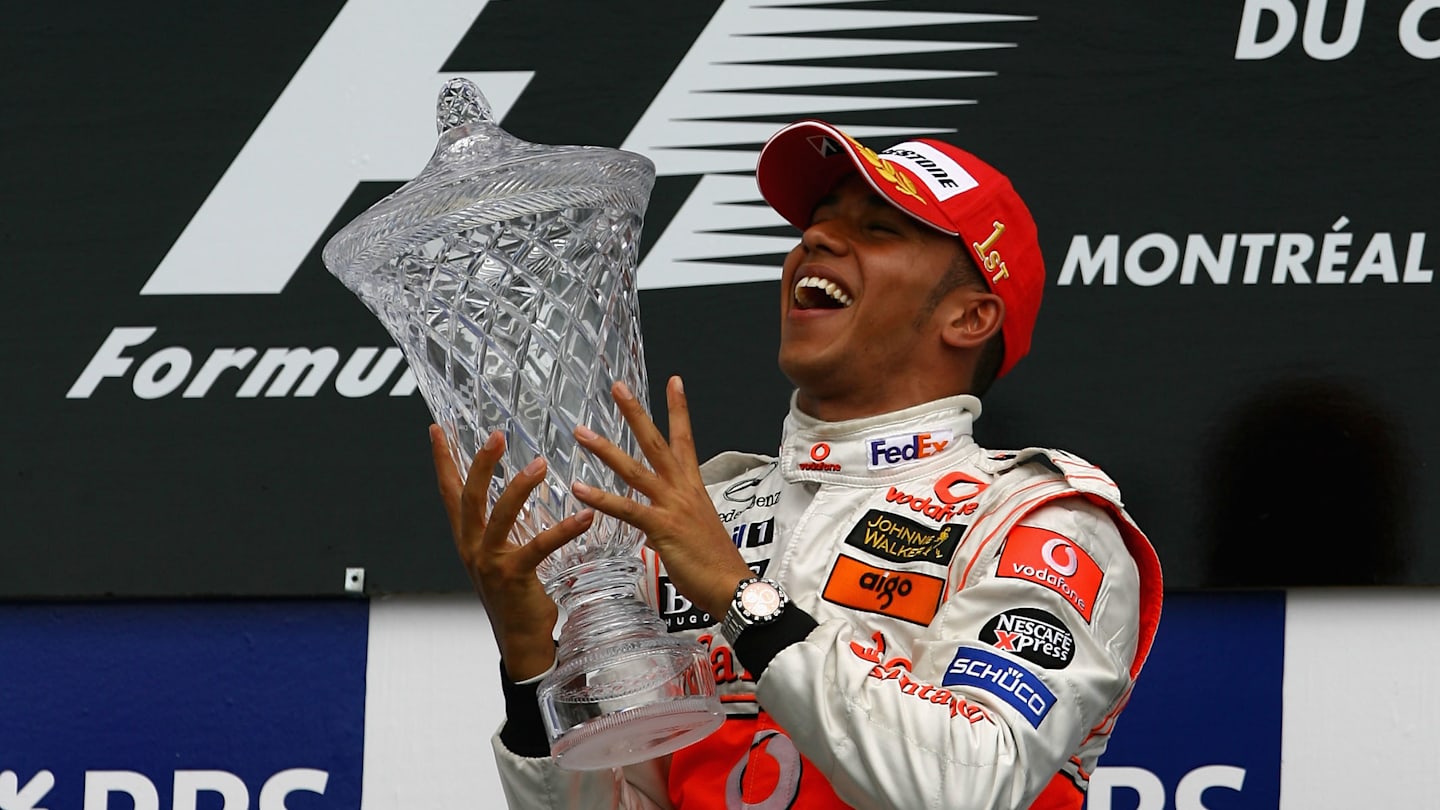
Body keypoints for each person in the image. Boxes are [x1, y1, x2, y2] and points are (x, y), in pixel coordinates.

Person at [429, 119, 1164, 810]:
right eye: (817, 221)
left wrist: (735, 593)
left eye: (876, 229)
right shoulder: (702, 517)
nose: (815, 237)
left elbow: (969, 777)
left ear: (968, 317)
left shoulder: (1037, 525)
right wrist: (532, 665)